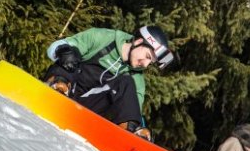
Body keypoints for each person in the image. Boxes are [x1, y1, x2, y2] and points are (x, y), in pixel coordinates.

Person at [44, 25, 176, 141]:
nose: (145, 64)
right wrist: (63, 51)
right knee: (69, 53)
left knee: (127, 82)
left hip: (87, 110)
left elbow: (133, 109)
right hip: (68, 89)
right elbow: (54, 47)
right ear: (139, 41)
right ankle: (57, 88)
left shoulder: (136, 77)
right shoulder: (103, 38)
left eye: (150, 62)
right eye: (147, 56)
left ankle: (129, 135)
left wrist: (136, 125)